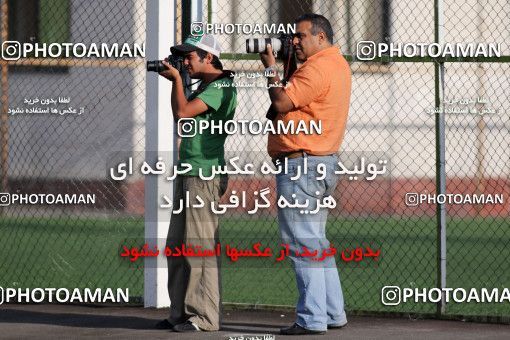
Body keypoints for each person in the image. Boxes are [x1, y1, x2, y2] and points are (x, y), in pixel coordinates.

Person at [259, 13, 352, 335]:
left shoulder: (318, 67)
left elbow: (282, 102)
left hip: (302, 164)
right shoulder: (335, 63)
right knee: (317, 243)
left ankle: (311, 319)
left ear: (321, 37)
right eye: (293, 37)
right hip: (319, 162)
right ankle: (331, 313)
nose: (294, 41)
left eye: (300, 36)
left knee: (302, 243)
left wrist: (270, 68)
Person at [155, 33, 236, 332]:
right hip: (189, 172)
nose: (185, 61)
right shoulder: (204, 86)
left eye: (190, 56)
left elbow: (183, 112)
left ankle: (204, 317)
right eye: (183, 57)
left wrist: (176, 80)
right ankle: (180, 313)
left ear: (208, 58)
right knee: (177, 245)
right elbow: (183, 117)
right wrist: (176, 80)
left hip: (203, 175)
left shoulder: (222, 85)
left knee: (198, 247)